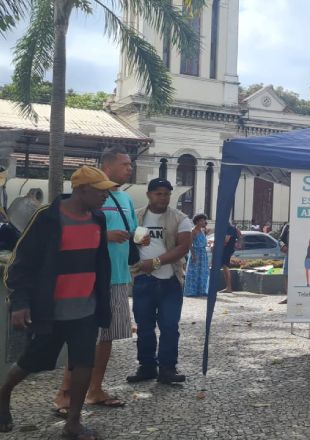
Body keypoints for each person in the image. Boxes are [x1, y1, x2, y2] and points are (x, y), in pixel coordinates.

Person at [1, 166, 115, 439]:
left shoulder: (98, 218)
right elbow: (21, 263)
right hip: (50, 310)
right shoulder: (47, 217)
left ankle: (73, 423)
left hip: (86, 309)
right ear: (82, 190)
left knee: (83, 363)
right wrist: (20, 302)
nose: (106, 197)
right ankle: (3, 393)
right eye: (101, 191)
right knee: (32, 361)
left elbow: (100, 261)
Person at [51, 149, 139, 417]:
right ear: (107, 166)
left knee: (107, 337)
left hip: (119, 277)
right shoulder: (86, 199)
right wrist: (105, 235)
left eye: (130, 164)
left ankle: (94, 389)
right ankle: (65, 393)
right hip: (91, 278)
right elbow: (75, 232)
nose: (130, 169)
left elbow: (132, 231)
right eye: (124, 164)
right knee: (84, 337)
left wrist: (137, 239)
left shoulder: (125, 197)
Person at [127, 178, 192, 385]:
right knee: (144, 326)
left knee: (170, 326)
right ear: (149, 195)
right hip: (143, 280)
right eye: (158, 193)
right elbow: (128, 242)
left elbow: (183, 247)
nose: (163, 197)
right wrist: (134, 242)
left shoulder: (180, 218)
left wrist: (155, 262)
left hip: (170, 280)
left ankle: (167, 368)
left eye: (167, 194)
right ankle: (146, 367)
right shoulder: (136, 216)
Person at [184, 214, 209, 297]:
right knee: (194, 273)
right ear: (197, 221)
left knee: (203, 273)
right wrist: (193, 255)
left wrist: (205, 228)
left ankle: (202, 290)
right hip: (196, 253)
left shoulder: (202, 231)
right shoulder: (193, 231)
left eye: (204, 220)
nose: (203, 222)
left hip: (203, 254)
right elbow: (189, 244)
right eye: (201, 220)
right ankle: (191, 291)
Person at [219, 221, 241, 293]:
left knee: (225, 266)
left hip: (227, 249)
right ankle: (228, 287)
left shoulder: (229, 228)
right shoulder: (231, 228)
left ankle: (229, 287)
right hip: (228, 249)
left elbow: (226, 240)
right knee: (224, 266)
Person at [278, 224, 289, 304]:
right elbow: (280, 240)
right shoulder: (288, 226)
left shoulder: (305, 223)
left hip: (301, 255)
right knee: (286, 275)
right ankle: (288, 296)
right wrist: (283, 246)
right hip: (289, 254)